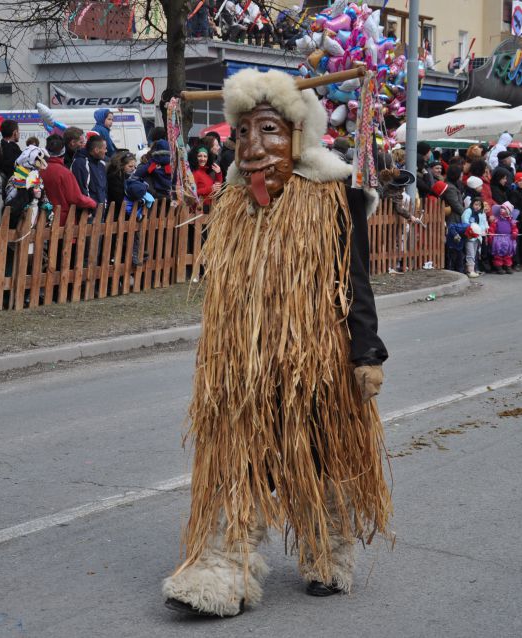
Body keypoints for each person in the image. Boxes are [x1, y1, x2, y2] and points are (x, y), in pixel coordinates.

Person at [161, 68, 390, 617]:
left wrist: (367, 353)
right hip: (243, 364)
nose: (254, 146)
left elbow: (356, 278)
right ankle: (222, 568)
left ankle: (328, 553)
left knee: (321, 456)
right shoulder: (232, 203)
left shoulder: (336, 197)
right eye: (242, 132)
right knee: (236, 462)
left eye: (270, 130)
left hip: (318, 361)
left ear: (299, 133)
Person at [40, 135, 97, 226]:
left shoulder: (39, 169)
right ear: (63, 150)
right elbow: (75, 198)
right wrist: (92, 203)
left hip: (41, 219)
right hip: (62, 222)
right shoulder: (64, 173)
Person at [72, 134, 109, 218]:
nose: (106, 151)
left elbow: (104, 189)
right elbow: (82, 189)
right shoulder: (81, 163)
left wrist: (104, 206)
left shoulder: (102, 164)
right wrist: (91, 211)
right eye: (104, 148)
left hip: (101, 212)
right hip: (88, 215)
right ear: (96, 150)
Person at [488, 202, 518, 274]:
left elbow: (515, 228)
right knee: (498, 254)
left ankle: (508, 266)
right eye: (501, 208)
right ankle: (499, 267)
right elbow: (492, 227)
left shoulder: (511, 221)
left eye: (504, 209)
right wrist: (491, 234)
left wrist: (514, 233)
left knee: (508, 254)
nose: (501, 210)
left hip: (509, 239)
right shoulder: (496, 220)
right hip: (498, 239)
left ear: (508, 211)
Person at [461, 196, 487, 278]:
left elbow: (483, 224)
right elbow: (465, 220)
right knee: (470, 253)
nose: (477, 207)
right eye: (476, 204)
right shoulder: (468, 211)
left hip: (477, 237)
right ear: (472, 204)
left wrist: (480, 230)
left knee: (475, 253)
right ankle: (470, 271)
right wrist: (471, 229)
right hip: (469, 236)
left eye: (479, 205)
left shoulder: (481, 213)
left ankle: (472, 269)